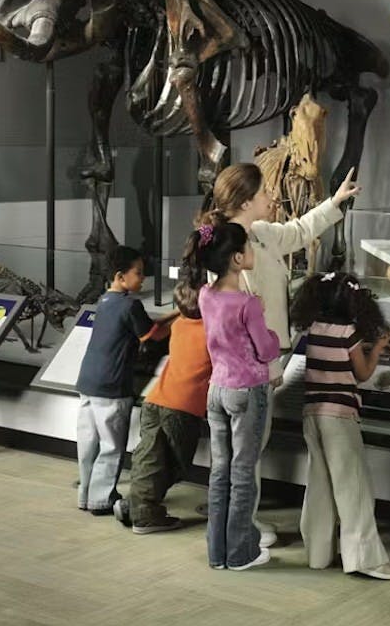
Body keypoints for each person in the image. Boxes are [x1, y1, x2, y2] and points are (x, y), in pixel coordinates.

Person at [201, 162, 362, 546]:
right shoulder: (232, 252)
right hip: (254, 370)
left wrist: (335, 201)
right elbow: (240, 325)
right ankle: (244, 532)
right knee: (247, 452)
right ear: (244, 201)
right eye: (263, 194)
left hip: (253, 367)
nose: (271, 197)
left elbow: (299, 231)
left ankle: (233, 530)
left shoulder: (257, 234)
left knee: (241, 453)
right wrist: (271, 366)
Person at [288, 271, 390, 580]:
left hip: (312, 413)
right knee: (354, 487)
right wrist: (377, 347)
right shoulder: (349, 332)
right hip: (339, 416)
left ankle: (318, 553)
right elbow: (362, 373)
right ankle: (365, 559)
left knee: (320, 484)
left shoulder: (313, 328)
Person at [188, 221, 281, 570]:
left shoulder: (205, 295)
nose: (253, 253)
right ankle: (241, 552)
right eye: (249, 248)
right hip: (247, 392)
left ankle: (218, 552)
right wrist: (270, 330)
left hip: (218, 389)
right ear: (238, 258)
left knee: (220, 471)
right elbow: (267, 351)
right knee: (243, 472)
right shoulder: (248, 304)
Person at [75, 246, 169, 516]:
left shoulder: (105, 301)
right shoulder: (131, 304)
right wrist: (181, 318)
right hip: (111, 387)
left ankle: (85, 493)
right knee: (111, 445)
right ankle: (102, 499)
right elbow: (151, 336)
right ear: (120, 276)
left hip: (87, 382)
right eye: (138, 274)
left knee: (88, 443)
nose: (142, 279)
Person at [113, 277, 210, 534]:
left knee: (148, 455)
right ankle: (144, 512)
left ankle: (136, 504)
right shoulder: (212, 330)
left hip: (156, 399)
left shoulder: (179, 324)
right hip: (184, 405)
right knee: (173, 462)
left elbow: (164, 325)